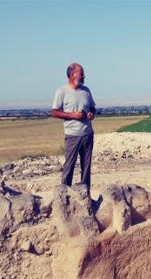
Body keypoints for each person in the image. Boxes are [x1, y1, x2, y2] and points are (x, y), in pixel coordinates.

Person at [51, 63, 96, 195]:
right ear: (72, 75)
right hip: (72, 135)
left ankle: (85, 195)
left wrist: (91, 113)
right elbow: (54, 112)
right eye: (81, 73)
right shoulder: (62, 91)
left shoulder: (86, 90)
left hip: (87, 134)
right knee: (69, 166)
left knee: (86, 167)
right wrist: (72, 115)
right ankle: (64, 196)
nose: (84, 75)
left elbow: (93, 107)